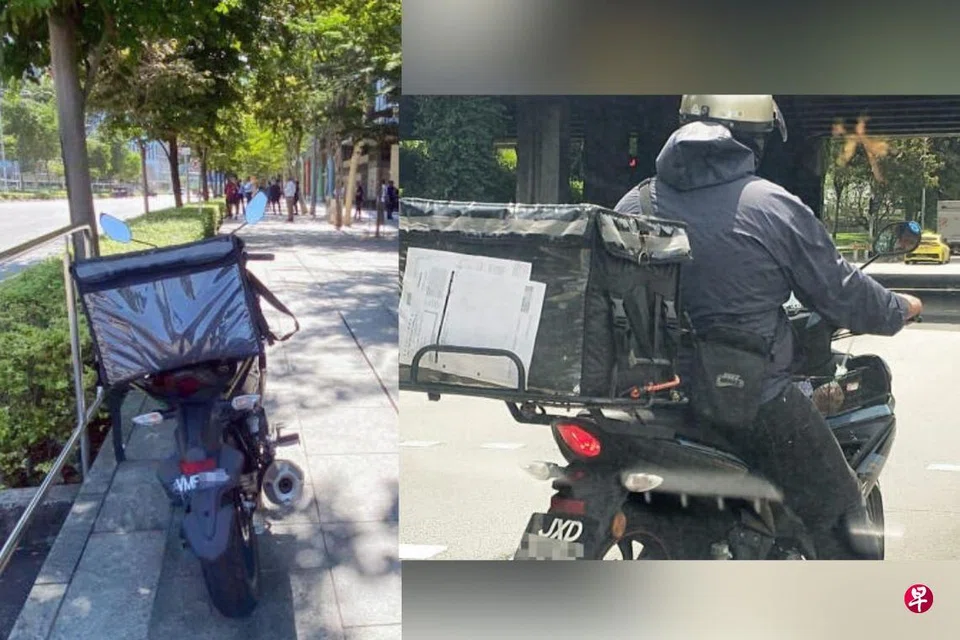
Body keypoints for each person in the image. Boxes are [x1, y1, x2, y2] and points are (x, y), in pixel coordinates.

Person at [613, 95, 923, 560]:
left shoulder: (632, 202)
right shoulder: (771, 206)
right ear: (754, 140)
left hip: (648, 400)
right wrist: (899, 308)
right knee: (841, 513)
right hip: (750, 399)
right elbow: (840, 292)